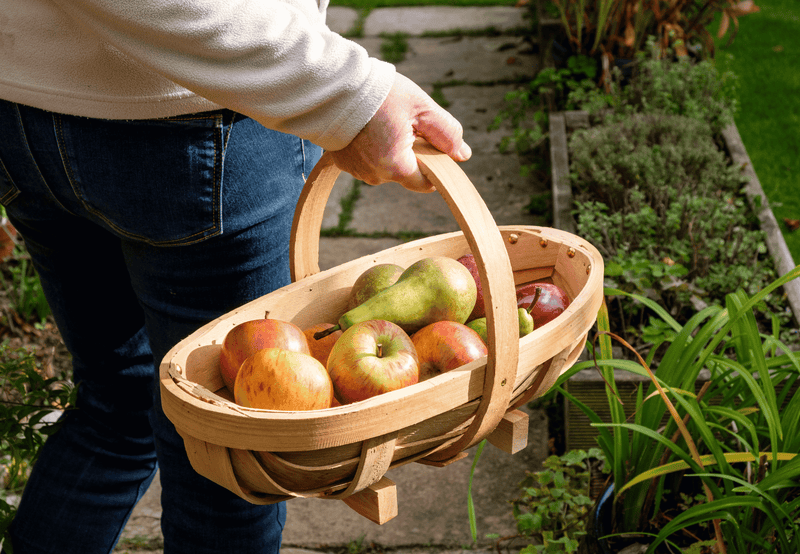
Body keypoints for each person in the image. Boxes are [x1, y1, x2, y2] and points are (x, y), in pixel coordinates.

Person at [0, 1, 471, 553]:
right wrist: (349, 94)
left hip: (22, 110)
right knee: (232, 453)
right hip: (190, 121)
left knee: (116, 407)